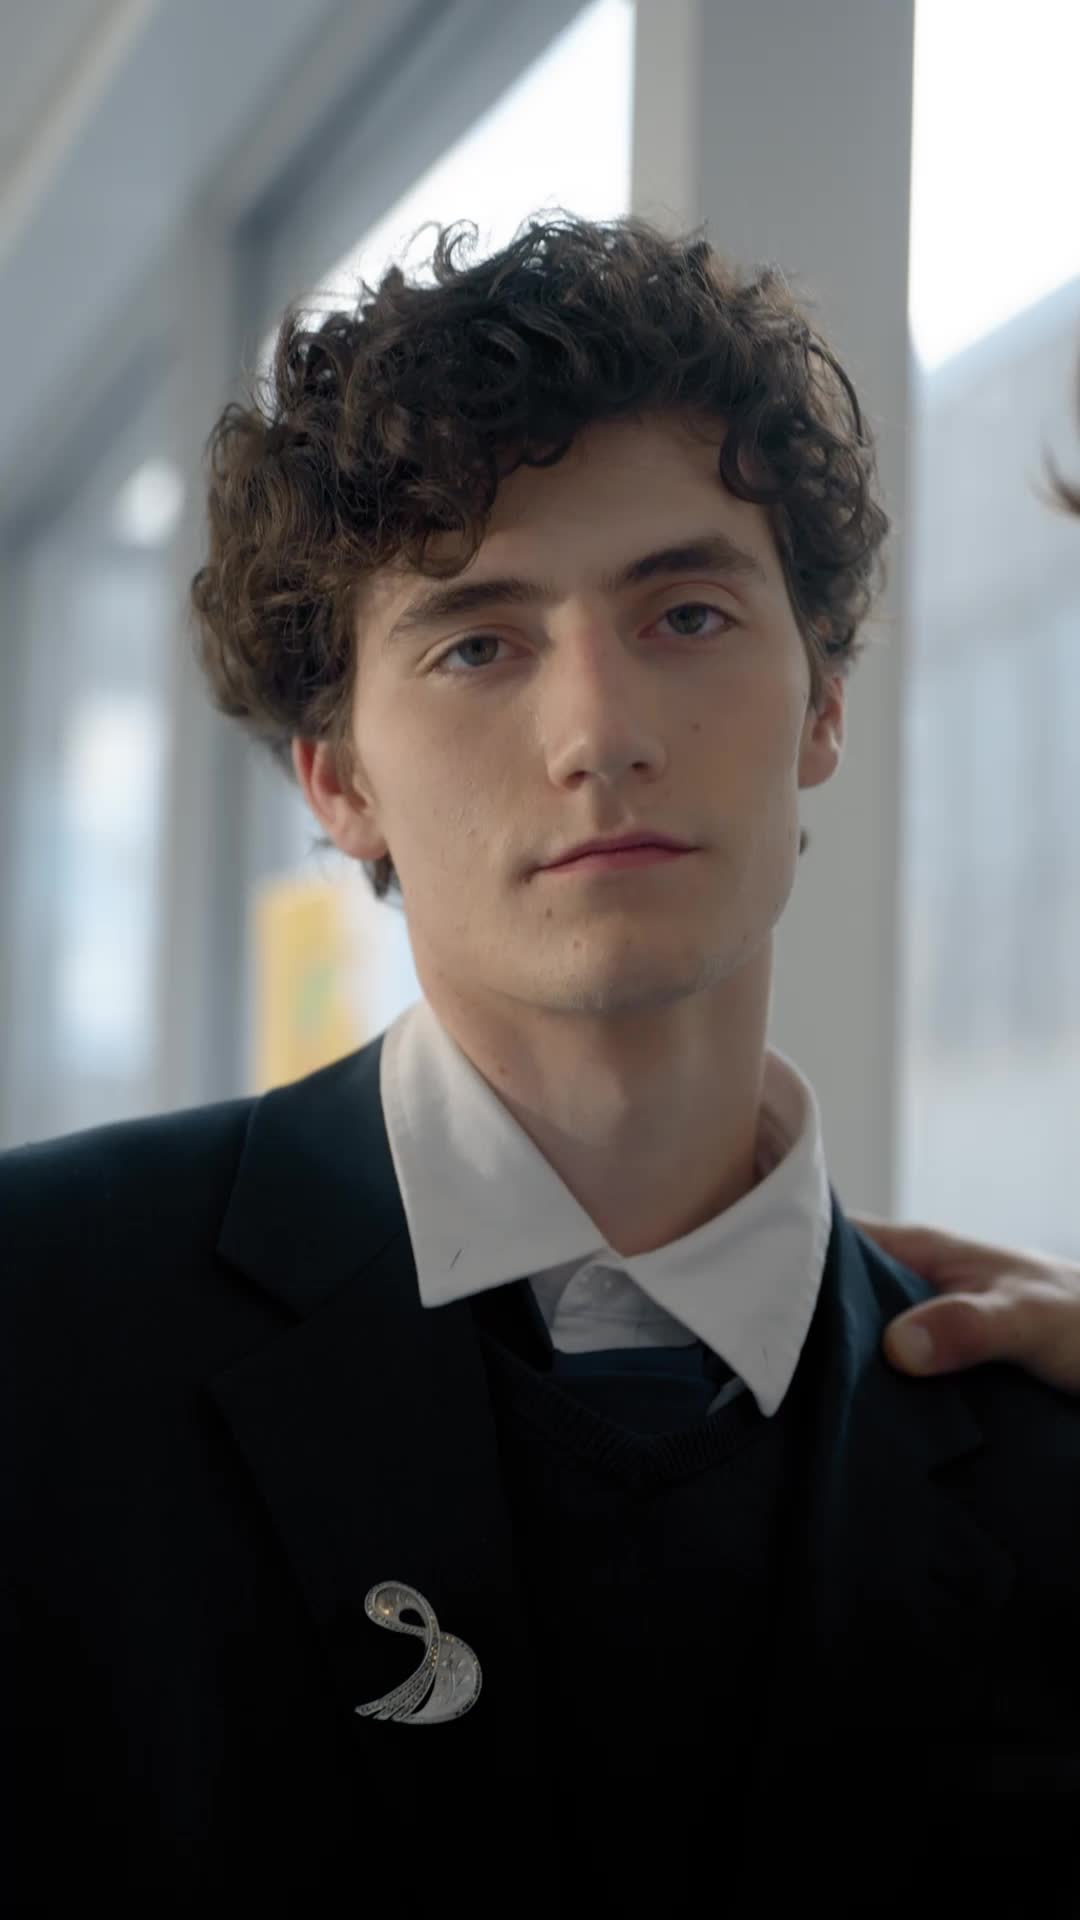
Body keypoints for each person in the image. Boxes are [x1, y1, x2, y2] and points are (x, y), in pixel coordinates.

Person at [8, 211, 1080, 1912]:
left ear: (823, 703)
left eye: (689, 615)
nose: (600, 734)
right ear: (338, 782)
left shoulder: (1048, 1459)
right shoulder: (35, 1322)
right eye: (477, 645)